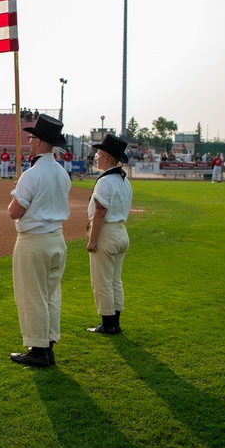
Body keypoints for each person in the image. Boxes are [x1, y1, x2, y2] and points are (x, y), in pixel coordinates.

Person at [7, 114, 71, 368]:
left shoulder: (32, 174)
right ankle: (47, 344)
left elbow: (14, 211)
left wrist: (19, 192)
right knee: (51, 294)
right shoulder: (61, 172)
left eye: (32, 138)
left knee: (32, 294)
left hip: (35, 240)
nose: (30, 141)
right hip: (57, 237)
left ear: (40, 142)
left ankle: (37, 348)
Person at [85, 135, 133, 335]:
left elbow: (100, 211)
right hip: (121, 230)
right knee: (114, 279)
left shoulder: (105, 181)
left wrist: (92, 239)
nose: (96, 156)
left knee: (102, 280)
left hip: (107, 232)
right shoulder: (124, 180)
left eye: (99, 154)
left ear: (106, 157)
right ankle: (115, 321)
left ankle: (107, 322)